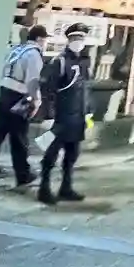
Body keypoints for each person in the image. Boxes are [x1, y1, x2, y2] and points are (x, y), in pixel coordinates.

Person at [37, 24, 92, 205]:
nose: (78, 42)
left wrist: (88, 112)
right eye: (75, 38)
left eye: (81, 39)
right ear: (69, 40)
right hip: (62, 116)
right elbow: (47, 90)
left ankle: (66, 188)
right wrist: (48, 115)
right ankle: (44, 189)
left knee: (72, 154)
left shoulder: (85, 61)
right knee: (51, 153)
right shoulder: (59, 62)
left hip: (78, 116)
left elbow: (85, 88)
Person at [0, 25, 46, 186]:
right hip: (18, 96)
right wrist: (36, 101)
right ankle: (23, 175)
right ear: (39, 39)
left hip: (3, 92)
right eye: (44, 39)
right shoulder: (34, 54)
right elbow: (32, 80)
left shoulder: (16, 49)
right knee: (19, 138)